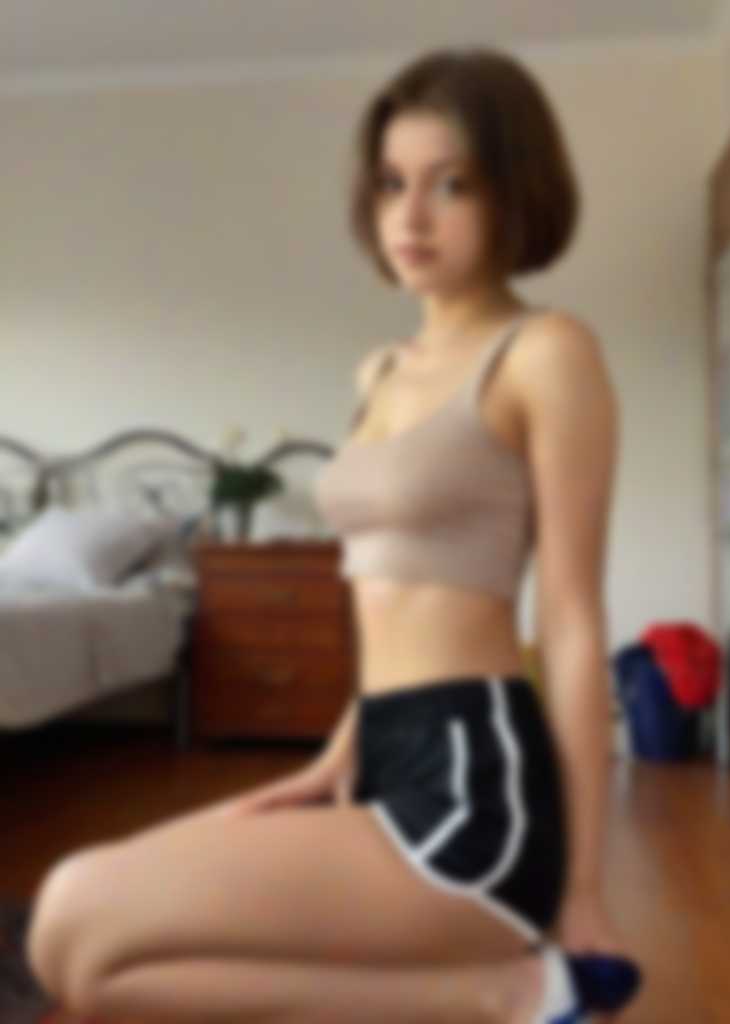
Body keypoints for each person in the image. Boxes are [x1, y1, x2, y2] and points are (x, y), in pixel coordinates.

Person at [24, 46, 641, 1023]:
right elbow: (387, 590)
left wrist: (586, 890)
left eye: (452, 184)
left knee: (71, 901)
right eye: (393, 184)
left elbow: (570, 624)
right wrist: (336, 751)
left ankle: (521, 981)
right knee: (78, 964)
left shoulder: (545, 353)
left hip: (476, 786)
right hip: (381, 750)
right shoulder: (379, 372)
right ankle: (513, 996)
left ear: (513, 190)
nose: (412, 216)